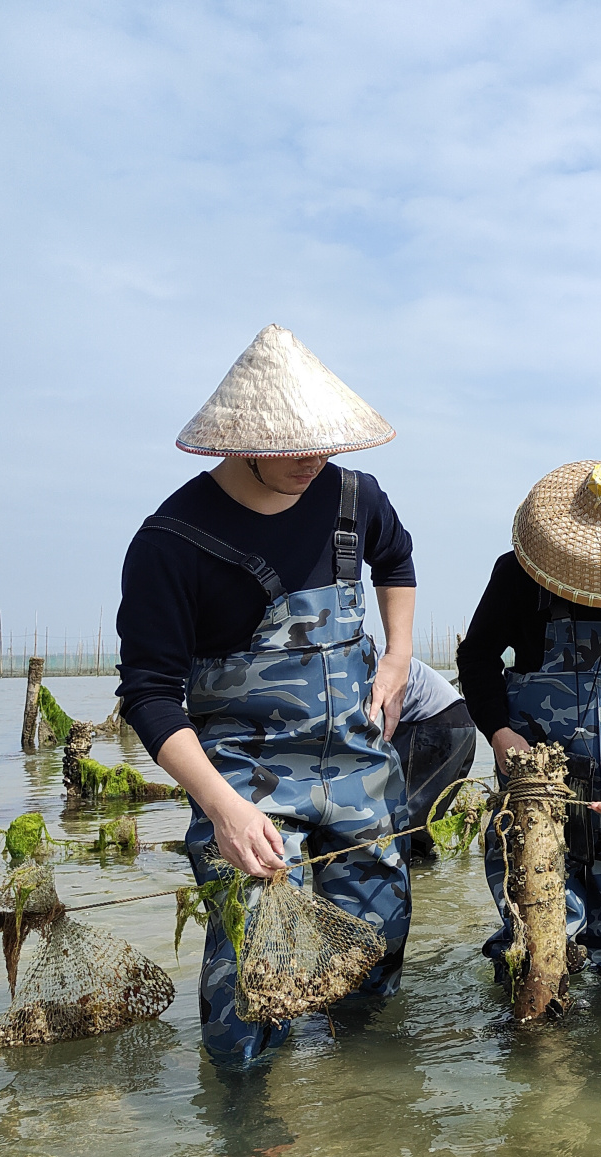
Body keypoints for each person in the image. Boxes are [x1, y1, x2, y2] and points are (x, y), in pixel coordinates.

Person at [117, 324, 415, 1067]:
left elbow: (397, 559)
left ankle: (363, 1109)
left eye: (322, 444)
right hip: (243, 773)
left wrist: (399, 656)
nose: (310, 463)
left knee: (374, 948)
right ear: (241, 438)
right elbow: (150, 697)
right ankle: (245, 1139)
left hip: (356, 758)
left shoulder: (354, 498)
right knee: (250, 972)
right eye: (290, 447)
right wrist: (222, 807)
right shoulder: (171, 542)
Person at [457, 460, 601, 984]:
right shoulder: (518, 574)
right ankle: (534, 1046)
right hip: (533, 775)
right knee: (534, 926)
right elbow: (476, 660)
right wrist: (499, 732)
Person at [390, 658, 479, 861]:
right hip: (462, 722)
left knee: (401, 817)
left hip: (432, 723)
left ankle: (397, 868)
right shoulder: (365, 650)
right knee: (424, 817)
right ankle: (423, 880)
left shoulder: (358, 658)